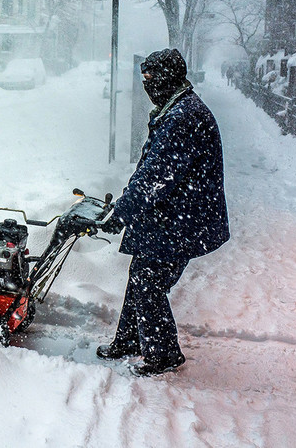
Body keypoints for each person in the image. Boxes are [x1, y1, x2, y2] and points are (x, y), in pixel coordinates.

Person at [98, 48, 230, 376]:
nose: (146, 85)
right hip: (172, 213)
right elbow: (153, 172)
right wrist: (126, 208)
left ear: (167, 78)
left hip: (183, 219)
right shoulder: (177, 107)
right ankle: (130, 339)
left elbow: (155, 174)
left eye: (150, 78)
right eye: (143, 79)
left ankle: (164, 355)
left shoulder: (183, 117)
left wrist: (123, 212)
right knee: (142, 272)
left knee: (149, 281)